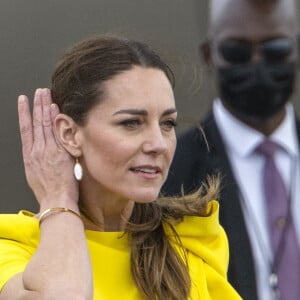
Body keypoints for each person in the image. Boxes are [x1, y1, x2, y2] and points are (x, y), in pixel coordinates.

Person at [0, 36, 241, 299]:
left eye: (168, 123)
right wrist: (58, 197)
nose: (158, 144)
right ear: (69, 134)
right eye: (131, 123)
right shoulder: (12, 244)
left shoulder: (191, 238)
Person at [163, 0, 300, 299]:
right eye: (236, 52)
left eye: (275, 49)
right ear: (208, 55)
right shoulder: (171, 173)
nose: (256, 63)